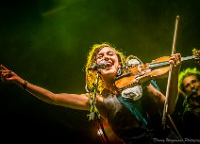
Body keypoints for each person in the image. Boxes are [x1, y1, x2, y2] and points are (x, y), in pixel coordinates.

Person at [0, 42, 182, 143]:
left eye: (110, 54)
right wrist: (21, 82)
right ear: (95, 69)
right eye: (100, 57)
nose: (105, 58)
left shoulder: (140, 79)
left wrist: (173, 73)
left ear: (119, 62)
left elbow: (169, 108)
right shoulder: (99, 100)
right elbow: (53, 98)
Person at [177, 67, 200, 139]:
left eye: (194, 81)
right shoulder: (188, 114)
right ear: (185, 92)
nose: (192, 86)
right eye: (187, 85)